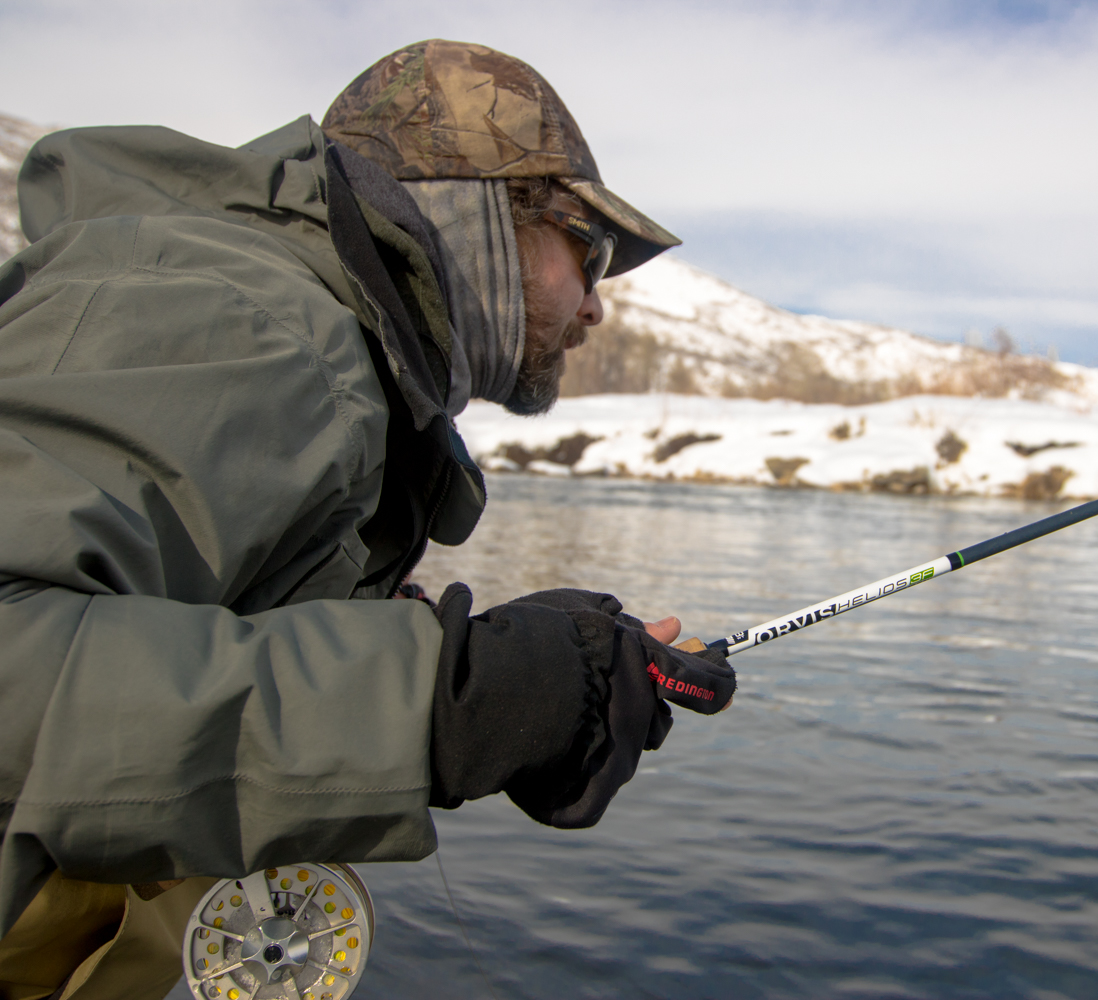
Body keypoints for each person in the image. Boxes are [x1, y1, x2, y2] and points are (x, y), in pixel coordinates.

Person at [0, 38, 734, 999]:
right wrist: (438, 701)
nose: (597, 306)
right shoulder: (244, 316)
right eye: (587, 254)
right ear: (476, 216)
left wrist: (510, 670)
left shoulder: (297, 339)